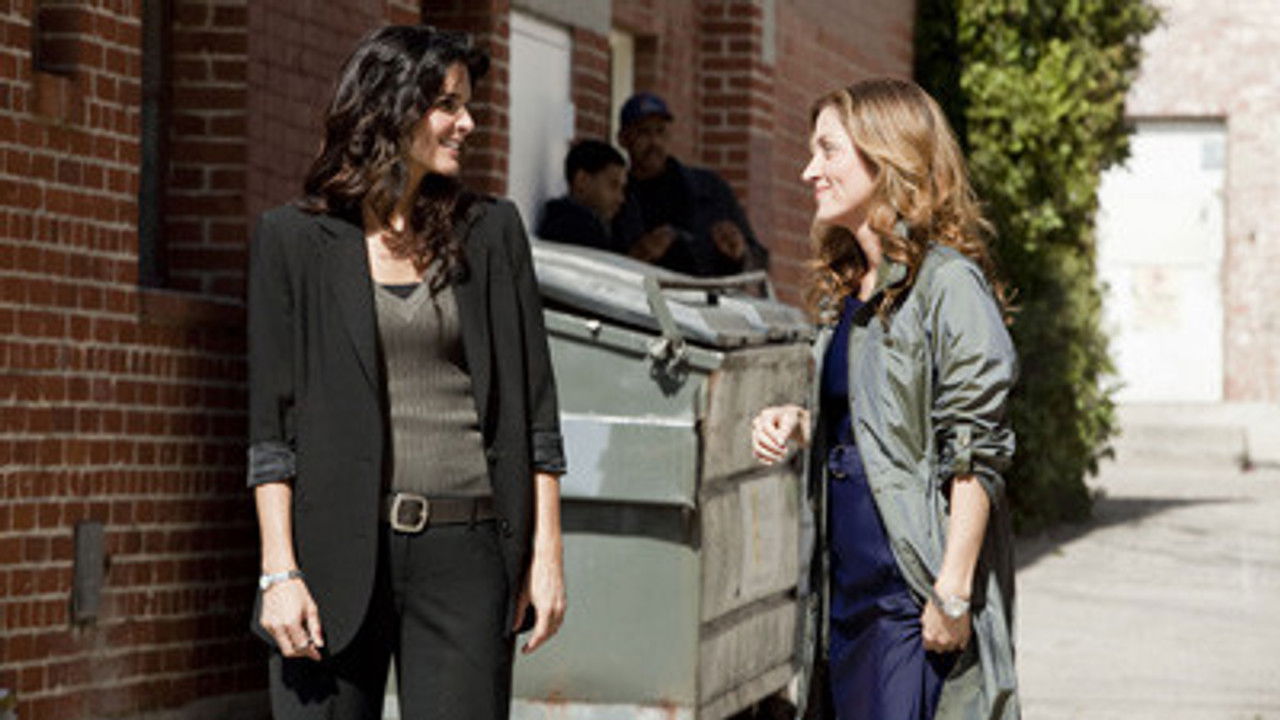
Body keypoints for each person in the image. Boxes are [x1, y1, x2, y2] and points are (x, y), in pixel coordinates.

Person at [246, 26, 567, 720]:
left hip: (467, 556)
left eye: (467, 105)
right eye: (448, 105)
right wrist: (279, 571)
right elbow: (272, 431)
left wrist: (546, 558)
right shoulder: (292, 242)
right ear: (390, 107)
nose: (468, 123)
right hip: (331, 554)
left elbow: (536, 414)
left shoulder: (492, 232)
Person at [750, 78, 1019, 719]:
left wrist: (951, 591)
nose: (809, 170)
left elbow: (974, 448)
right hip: (843, 590)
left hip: (909, 591)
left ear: (887, 155)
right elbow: (881, 421)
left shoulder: (947, 284)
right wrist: (803, 423)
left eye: (828, 151)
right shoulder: (855, 286)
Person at [612, 92, 769, 276]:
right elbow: (603, 265)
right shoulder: (616, 195)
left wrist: (739, 254)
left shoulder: (709, 188)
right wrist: (638, 255)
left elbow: (758, 261)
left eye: (660, 132)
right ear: (623, 139)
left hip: (703, 292)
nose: (654, 142)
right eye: (643, 133)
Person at [536, 139, 628, 251]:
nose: (620, 198)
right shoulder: (576, 229)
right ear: (582, 180)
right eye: (613, 185)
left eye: (621, 189)